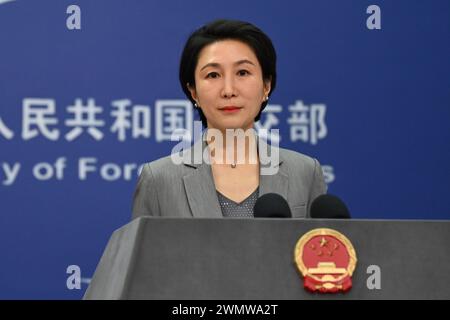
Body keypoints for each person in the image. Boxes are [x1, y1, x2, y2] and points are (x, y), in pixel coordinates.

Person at [132, 19, 326, 219]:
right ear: (193, 91)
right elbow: (143, 250)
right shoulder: (159, 180)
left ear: (266, 85)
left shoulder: (305, 172)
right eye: (213, 75)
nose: (228, 90)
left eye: (242, 72)